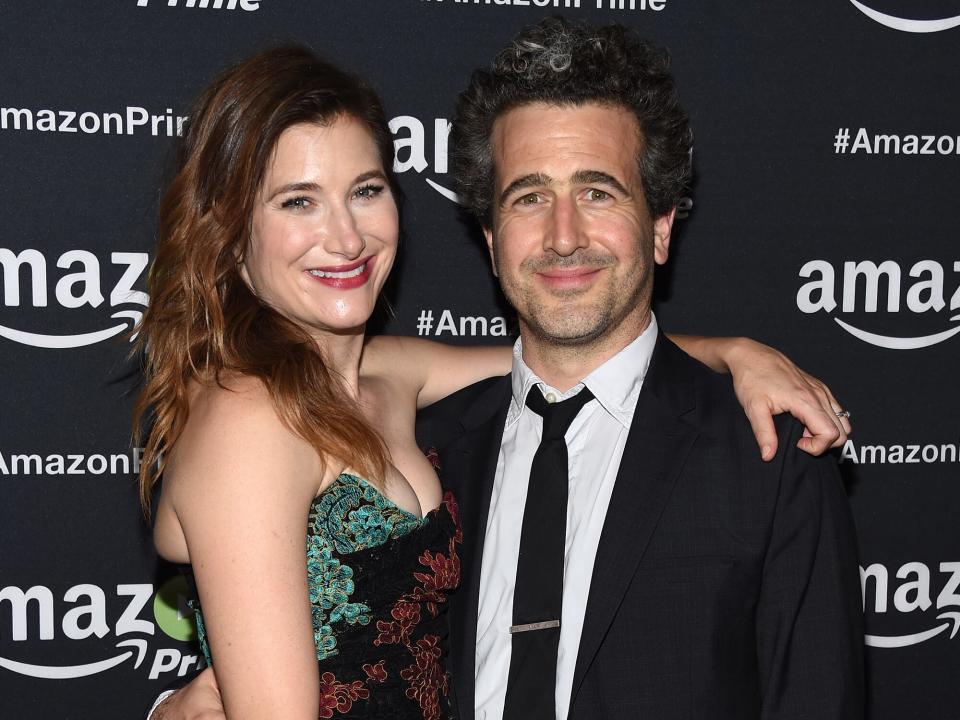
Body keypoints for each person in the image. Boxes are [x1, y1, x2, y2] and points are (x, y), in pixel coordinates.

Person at [143, 37, 855, 720]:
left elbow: (559, 353)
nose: (346, 238)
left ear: (661, 226)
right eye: (297, 201)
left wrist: (733, 350)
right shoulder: (299, 422)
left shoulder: (396, 382)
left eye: (364, 190)